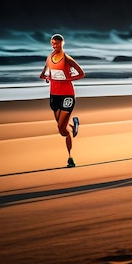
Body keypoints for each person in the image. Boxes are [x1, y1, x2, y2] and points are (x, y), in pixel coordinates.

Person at [39, 34, 85, 168]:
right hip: (54, 95)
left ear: (62, 43)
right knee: (61, 130)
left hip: (67, 95)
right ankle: (73, 125)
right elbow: (44, 73)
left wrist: (66, 79)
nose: (55, 46)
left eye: (57, 43)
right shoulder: (49, 58)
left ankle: (70, 158)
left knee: (61, 127)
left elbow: (81, 73)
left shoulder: (67, 59)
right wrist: (45, 77)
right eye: (53, 43)